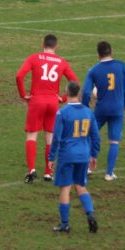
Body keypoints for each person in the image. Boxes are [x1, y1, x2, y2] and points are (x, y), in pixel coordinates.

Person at [16, 33, 78, 183]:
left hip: (36, 101)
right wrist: (63, 98)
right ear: (56, 46)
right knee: (49, 138)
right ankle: (48, 172)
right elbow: (74, 81)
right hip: (53, 103)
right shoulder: (62, 62)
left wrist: (24, 95)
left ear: (42, 44)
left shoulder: (34, 57)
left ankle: (31, 170)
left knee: (32, 136)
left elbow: (19, 76)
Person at [48, 82, 100, 234]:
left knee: (65, 188)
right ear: (78, 94)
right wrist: (94, 155)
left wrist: (51, 157)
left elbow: (56, 137)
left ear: (66, 92)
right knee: (81, 186)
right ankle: (90, 214)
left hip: (67, 155)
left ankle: (65, 224)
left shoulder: (62, 113)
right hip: (83, 154)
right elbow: (95, 136)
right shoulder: (88, 112)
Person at [82, 41, 125, 181]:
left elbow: (86, 92)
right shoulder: (121, 66)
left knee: (90, 135)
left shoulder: (94, 70)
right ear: (111, 51)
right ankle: (109, 173)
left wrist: (86, 107)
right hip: (117, 109)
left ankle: (87, 167)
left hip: (101, 109)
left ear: (98, 54)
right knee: (114, 141)